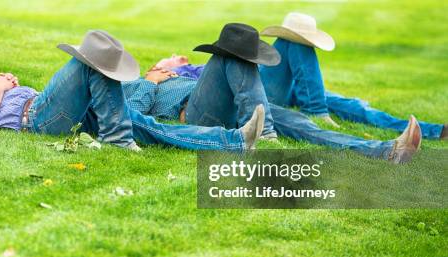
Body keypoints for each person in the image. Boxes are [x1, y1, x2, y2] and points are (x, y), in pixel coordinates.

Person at [0, 30, 267, 153]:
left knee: (146, 125)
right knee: (87, 60)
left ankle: (234, 140)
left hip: (47, 108)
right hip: (39, 118)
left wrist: (8, 85)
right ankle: (117, 137)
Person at [122, 24, 422, 163]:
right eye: (169, 59)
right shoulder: (138, 82)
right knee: (230, 50)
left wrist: (177, 68)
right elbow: (132, 111)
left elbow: (230, 77)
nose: (177, 58)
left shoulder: (189, 73)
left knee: (304, 126)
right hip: (199, 112)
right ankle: (264, 134)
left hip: (246, 107)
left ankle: (386, 151)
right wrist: (150, 79)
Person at [157, 12, 447, 140]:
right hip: (253, 91)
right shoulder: (178, 76)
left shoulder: (198, 66)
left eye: (179, 56)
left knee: (353, 106)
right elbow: (214, 86)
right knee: (294, 43)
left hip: (273, 83)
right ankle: (317, 109)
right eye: (173, 58)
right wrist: (171, 67)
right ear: (163, 67)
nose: (179, 57)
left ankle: (434, 130)